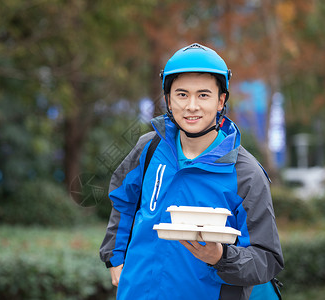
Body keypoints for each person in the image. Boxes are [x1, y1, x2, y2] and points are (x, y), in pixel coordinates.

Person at [100, 43, 284, 299]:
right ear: (168, 100)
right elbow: (124, 201)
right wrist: (115, 257)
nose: (192, 106)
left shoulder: (246, 173)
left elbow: (267, 259)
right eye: (182, 94)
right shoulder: (149, 148)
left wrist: (221, 257)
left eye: (204, 95)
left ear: (221, 100)